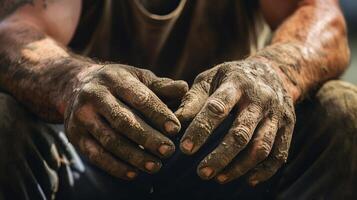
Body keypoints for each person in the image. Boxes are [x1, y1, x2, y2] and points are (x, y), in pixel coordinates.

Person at [0, 0, 356, 199]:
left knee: (343, 111)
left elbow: (322, 16)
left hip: (231, 159)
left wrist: (274, 71)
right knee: (4, 118)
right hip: (93, 159)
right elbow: (15, 31)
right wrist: (73, 80)